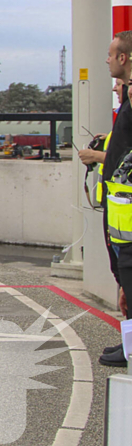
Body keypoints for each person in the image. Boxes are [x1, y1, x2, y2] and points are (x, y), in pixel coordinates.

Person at [81, 31, 132, 367]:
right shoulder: (127, 100)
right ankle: (128, 345)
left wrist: (98, 158)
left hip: (127, 211)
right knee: (124, 278)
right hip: (118, 211)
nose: (106, 59)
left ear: (123, 58)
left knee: (129, 277)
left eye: (110, 54)